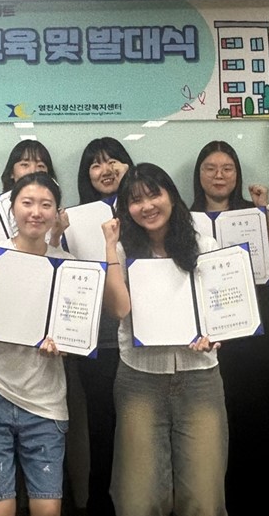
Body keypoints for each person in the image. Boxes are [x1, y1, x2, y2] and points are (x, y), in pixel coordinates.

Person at [102, 163, 227, 516]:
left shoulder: (204, 244)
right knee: (138, 498)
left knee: (204, 496)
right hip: (140, 377)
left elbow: (221, 308)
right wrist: (110, 247)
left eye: (154, 195)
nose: (147, 206)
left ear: (171, 195)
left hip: (199, 376)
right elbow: (119, 309)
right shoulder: (123, 250)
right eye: (135, 200)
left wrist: (216, 333)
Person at [0, 172, 71, 516]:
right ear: (12, 208)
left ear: (56, 212)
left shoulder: (68, 264)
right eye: (27, 202)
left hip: (45, 396)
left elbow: (73, 336)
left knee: (47, 505)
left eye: (45, 204)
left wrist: (64, 344)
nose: (36, 212)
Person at [191, 141, 269, 515]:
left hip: (257, 334)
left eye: (227, 168)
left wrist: (264, 211)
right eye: (210, 168)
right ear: (198, 174)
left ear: (237, 173)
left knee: (260, 421)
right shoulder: (184, 218)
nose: (219, 175)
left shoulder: (255, 212)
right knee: (214, 430)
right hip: (210, 338)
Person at [71, 137, 133, 516]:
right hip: (97, 341)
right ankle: (100, 504)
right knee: (100, 428)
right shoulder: (73, 218)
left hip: (144, 339)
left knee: (144, 429)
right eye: (96, 164)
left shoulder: (146, 209)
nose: (105, 170)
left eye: (113, 161)